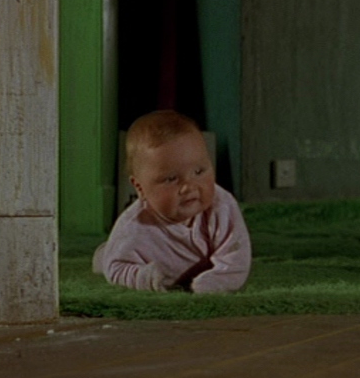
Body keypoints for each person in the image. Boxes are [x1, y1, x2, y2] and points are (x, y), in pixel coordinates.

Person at [93, 110, 251, 293]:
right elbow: (116, 268)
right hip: (150, 261)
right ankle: (103, 253)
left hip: (204, 269)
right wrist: (143, 277)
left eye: (199, 172)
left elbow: (236, 255)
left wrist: (213, 282)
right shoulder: (135, 226)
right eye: (171, 179)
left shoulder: (221, 205)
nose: (189, 187)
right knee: (109, 257)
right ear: (140, 188)